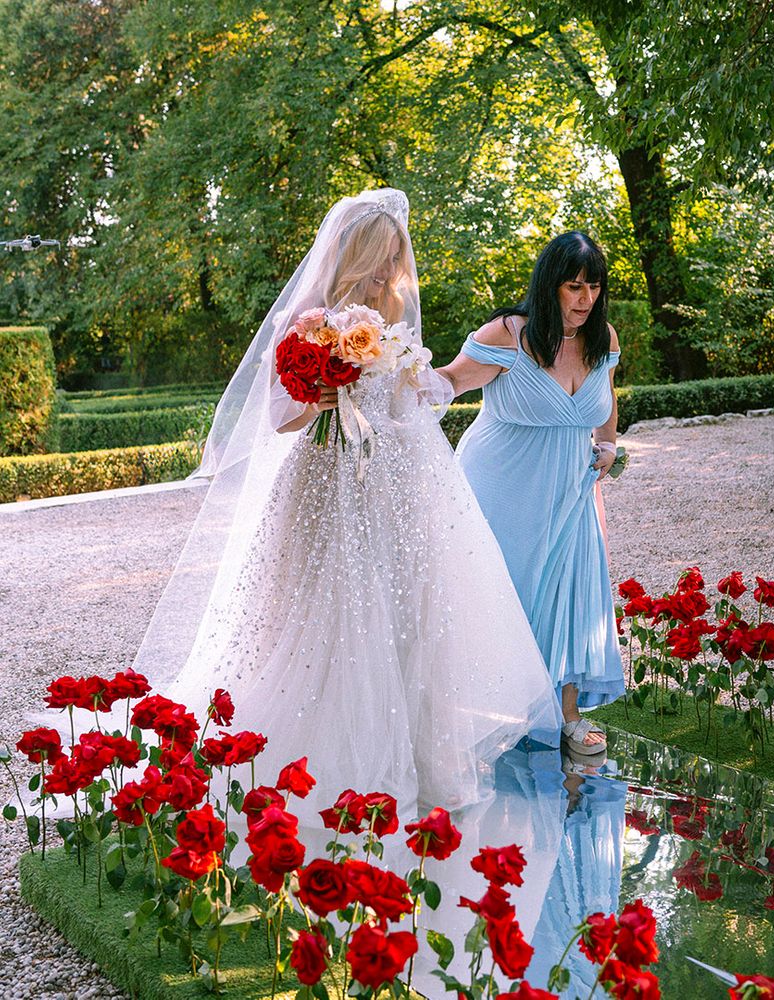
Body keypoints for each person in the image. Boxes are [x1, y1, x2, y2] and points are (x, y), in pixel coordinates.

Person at [128, 189, 561, 819]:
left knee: (407, 612)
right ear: (350, 256)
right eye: (378, 260)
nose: (389, 273)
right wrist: (321, 397)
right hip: (325, 485)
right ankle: (330, 765)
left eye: (394, 259)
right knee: (330, 615)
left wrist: (425, 390)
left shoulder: (393, 318)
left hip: (396, 487)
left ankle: (414, 760)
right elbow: (280, 418)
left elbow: (412, 404)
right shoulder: (304, 322)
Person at [437, 232, 625, 756]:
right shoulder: (509, 335)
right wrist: (389, 375)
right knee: (502, 595)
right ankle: (475, 711)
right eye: (573, 287)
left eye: (593, 286)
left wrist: (608, 443)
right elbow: (450, 380)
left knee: (571, 595)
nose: (585, 299)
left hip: (570, 489)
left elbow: (605, 398)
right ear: (551, 285)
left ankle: (566, 716)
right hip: (500, 486)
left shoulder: (602, 339)